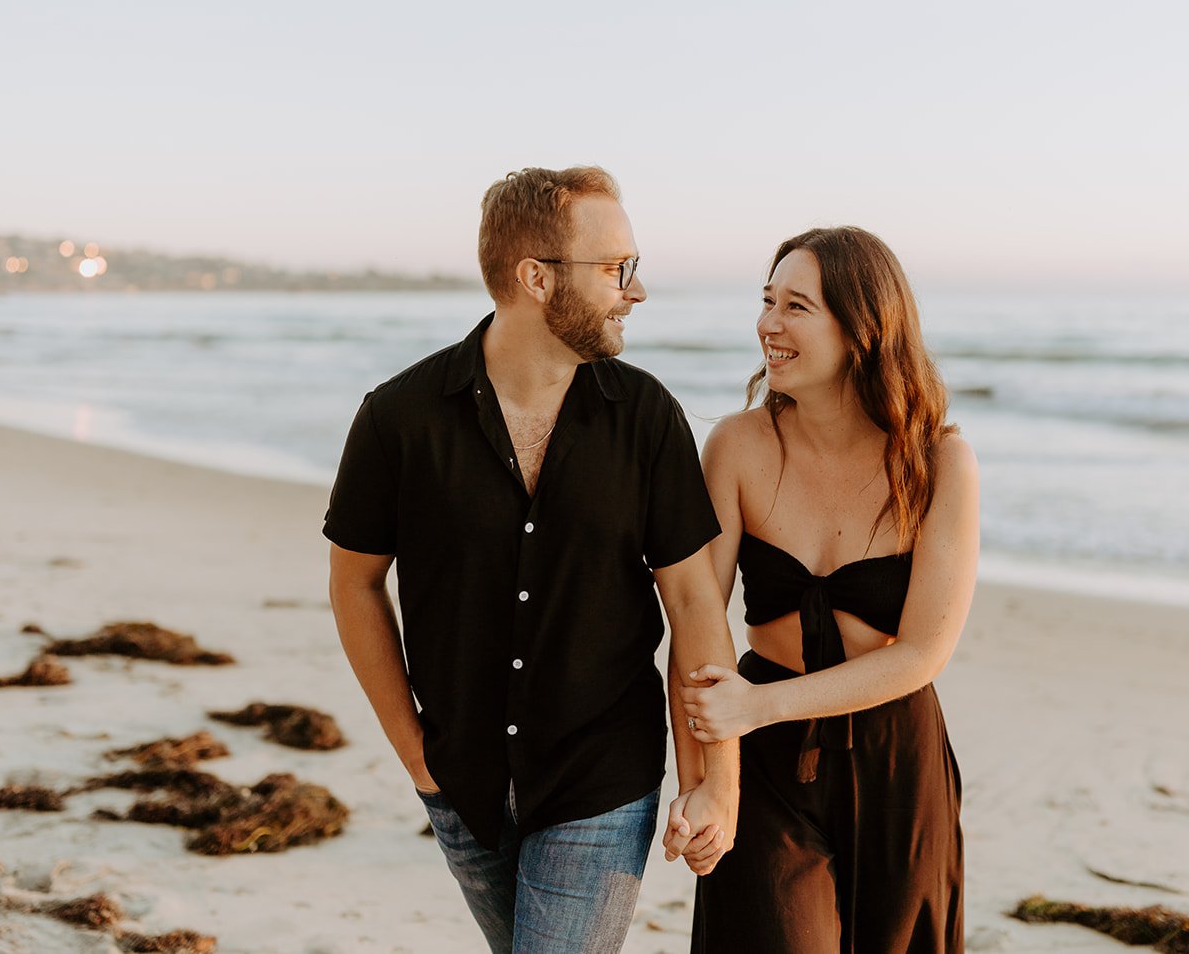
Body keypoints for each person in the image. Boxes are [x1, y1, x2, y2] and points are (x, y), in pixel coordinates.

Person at [324, 166, 740, 954]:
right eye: (618, 269)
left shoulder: (647, 416)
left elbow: (693, 602)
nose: (636, 291)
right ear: (537, 277)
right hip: (461, 784)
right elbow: (354, 582)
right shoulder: (398, 418)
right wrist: (415, 753)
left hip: (602, 779)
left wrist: (718, 779)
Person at [679, 227, 978, 953]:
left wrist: (757, 705)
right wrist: (704, 781)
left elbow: (921, 653)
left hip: (896, 756)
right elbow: (696, 621)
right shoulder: (737, 447)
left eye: (796, 306)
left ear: (862, 329)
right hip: (764, 762)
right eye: (767, 301)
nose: (768, 325)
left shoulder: (939, 461)